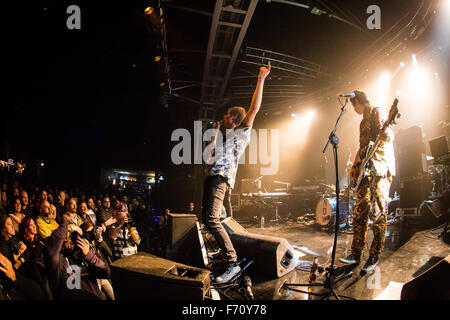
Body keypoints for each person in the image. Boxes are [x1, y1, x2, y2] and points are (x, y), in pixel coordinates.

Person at [202, 61, 270, 283]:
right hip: (217, 177)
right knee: (222, 220)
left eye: (228, 115)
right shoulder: (226, 137)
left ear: (236, 118)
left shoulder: (242, 132)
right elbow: (209, 158)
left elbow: (254, 108)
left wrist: (261, 79)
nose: (224, 117)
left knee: (212, 220)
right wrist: (213, 137)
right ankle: (227, 253)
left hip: (221, 180)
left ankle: (233, 264)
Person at [339, 90, 396, 273]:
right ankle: (356, 254)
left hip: (380, 169)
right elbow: (362, 148)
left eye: (353, 105)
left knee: (378, 212)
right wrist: (355, 167)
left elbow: (388, 133)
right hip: (366, 171)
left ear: (358, 102)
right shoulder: (362, 121)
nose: (353, 109)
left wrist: (387, 136)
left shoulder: (376, 112)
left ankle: (374, 255)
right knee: (360, 212)